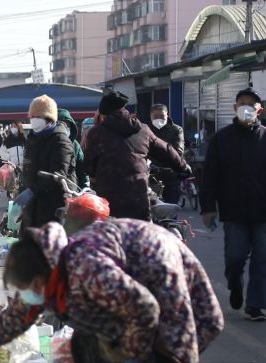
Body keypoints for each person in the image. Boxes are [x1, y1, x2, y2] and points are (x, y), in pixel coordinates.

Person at [0, 220, 224, 363]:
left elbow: (145, 308)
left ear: (39, 282)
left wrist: (134, 361)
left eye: (25, 290)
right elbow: (18, 316)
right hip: (125, 307)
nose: (24, 298)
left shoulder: (86, 270)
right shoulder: (47, 269)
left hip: (162, 289)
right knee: (85, 346)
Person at [200, 87, 266, 321]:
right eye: (242, 103)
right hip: (234, 211)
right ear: (235, 108)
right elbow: (209, 176)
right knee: (235, 258)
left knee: (262, 259)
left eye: (252, 104)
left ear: (260, 110)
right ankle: (235, 285)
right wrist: (208, 208)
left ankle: (255, 304)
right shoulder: (222, 138)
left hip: (263, 213)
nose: (246, 107)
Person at [84, 91, 189, 220]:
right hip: (138, 197)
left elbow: (89, 166)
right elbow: (166, 151)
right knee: (140, 235)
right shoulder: (143, 129)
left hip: (107, 202)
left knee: (109, 236)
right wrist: (183, 168)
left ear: (104, 113)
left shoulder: (95, 133)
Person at [18, 95, 75, 228]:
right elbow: (28, 169)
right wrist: (24, 190)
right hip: (34, 205)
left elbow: (58, 173)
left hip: (54, 205)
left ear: (49, 119)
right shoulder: (32, 140)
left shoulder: (60, 140)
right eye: (32, 117)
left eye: (38, 117)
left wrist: (31, 191)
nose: (34, 120)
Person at [149, 104, 185, 204]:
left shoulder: (176, 130)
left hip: (172, 177)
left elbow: (177, 151)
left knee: (171, 212)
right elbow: (142, 150)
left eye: (162, 116)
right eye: (156, 117)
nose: (159, 119)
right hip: (151, 179)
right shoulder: (146, 130)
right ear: (150, 116)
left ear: (167, 115)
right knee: (152, 213)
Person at [58, 108, 89, 188]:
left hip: (72, 191)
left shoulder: (75, 145)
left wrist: (86, 187)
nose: (65, 127)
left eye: (68, 125)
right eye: (62, 124)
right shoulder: (49, 143)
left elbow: (82, 171)